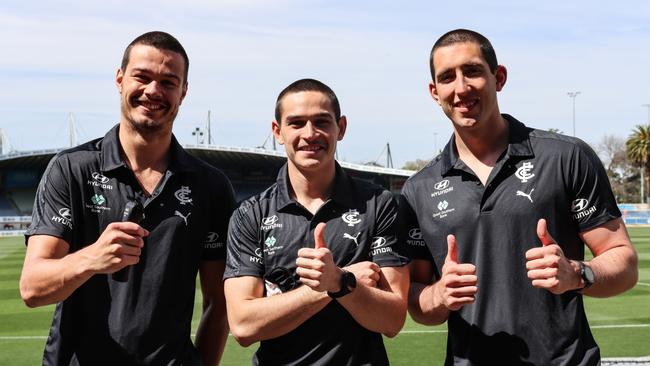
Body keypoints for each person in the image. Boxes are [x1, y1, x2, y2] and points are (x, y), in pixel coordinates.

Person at [401, 29, 639, 365]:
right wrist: (439, 294)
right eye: (447, 77)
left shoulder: (565, 158)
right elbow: (416, 303)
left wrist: (576, 273)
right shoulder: (418, 189)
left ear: (498, 77)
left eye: (472, 71)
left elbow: (624, 263)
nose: (461, 87)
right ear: (434, 92)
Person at [19, 31, 235, 365]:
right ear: (120, 79)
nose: (153, 91)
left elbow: (218, 305)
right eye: (142, 77)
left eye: (168, 81)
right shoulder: (71, 169)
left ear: (184, 91)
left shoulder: (211, 186)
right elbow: (33, 288)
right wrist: (92, 258)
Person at [223, 78, 410, 365]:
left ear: (341, 127)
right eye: (296, 123)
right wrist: (336, 285)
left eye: (321, 122)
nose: (310, 134)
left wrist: (336, 280)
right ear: (278, 131)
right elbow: (244, 327)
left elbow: (392, 320)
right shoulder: (251, 214)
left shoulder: (378, 204)